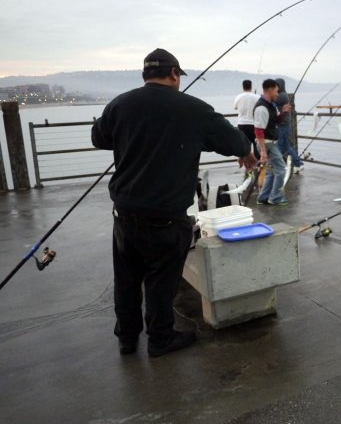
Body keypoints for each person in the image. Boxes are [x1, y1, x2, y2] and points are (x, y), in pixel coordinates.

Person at [91, 48, 256, 357]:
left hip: (124, 215)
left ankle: (127, 340)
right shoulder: (193, 109)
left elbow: (98, 137)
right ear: (174, 74)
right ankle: (160, 339)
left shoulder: (120, 104)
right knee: (159, 281)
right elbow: (235, 142)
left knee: (126, 280)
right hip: (165, 218)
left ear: (145, 75)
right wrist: (245, 150)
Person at [254, 79, 291, 205]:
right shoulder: (261, 108)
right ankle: (275, 197)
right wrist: (263, 151)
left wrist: (284, 112)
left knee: (270, 171)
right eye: (276, 91)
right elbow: (258, 131)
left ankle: (263, 197)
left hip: (269, 143)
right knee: (281, 169)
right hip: (267, 143)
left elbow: (275, 121)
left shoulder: (271, 105)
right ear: (269, 90)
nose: (277, 94)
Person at [274, 78, 304, 173]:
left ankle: (279, 167)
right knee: (287, 147)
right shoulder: (283, 95)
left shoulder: (282, 96)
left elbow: (271, 101)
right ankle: (298, 164)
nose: (275, 87)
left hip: (283, 126)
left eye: (276, 85)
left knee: (279, 147)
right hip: (283, 125)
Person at [234, 79, 260, 159]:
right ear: (251, 86)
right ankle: (257, 165)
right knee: (256, 145)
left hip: (242, 124)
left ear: (243, 87)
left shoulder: (238, 97)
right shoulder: (257, 97)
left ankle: (247, 166)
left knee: (245, 146)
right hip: (253, 124)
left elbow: (235, 107)